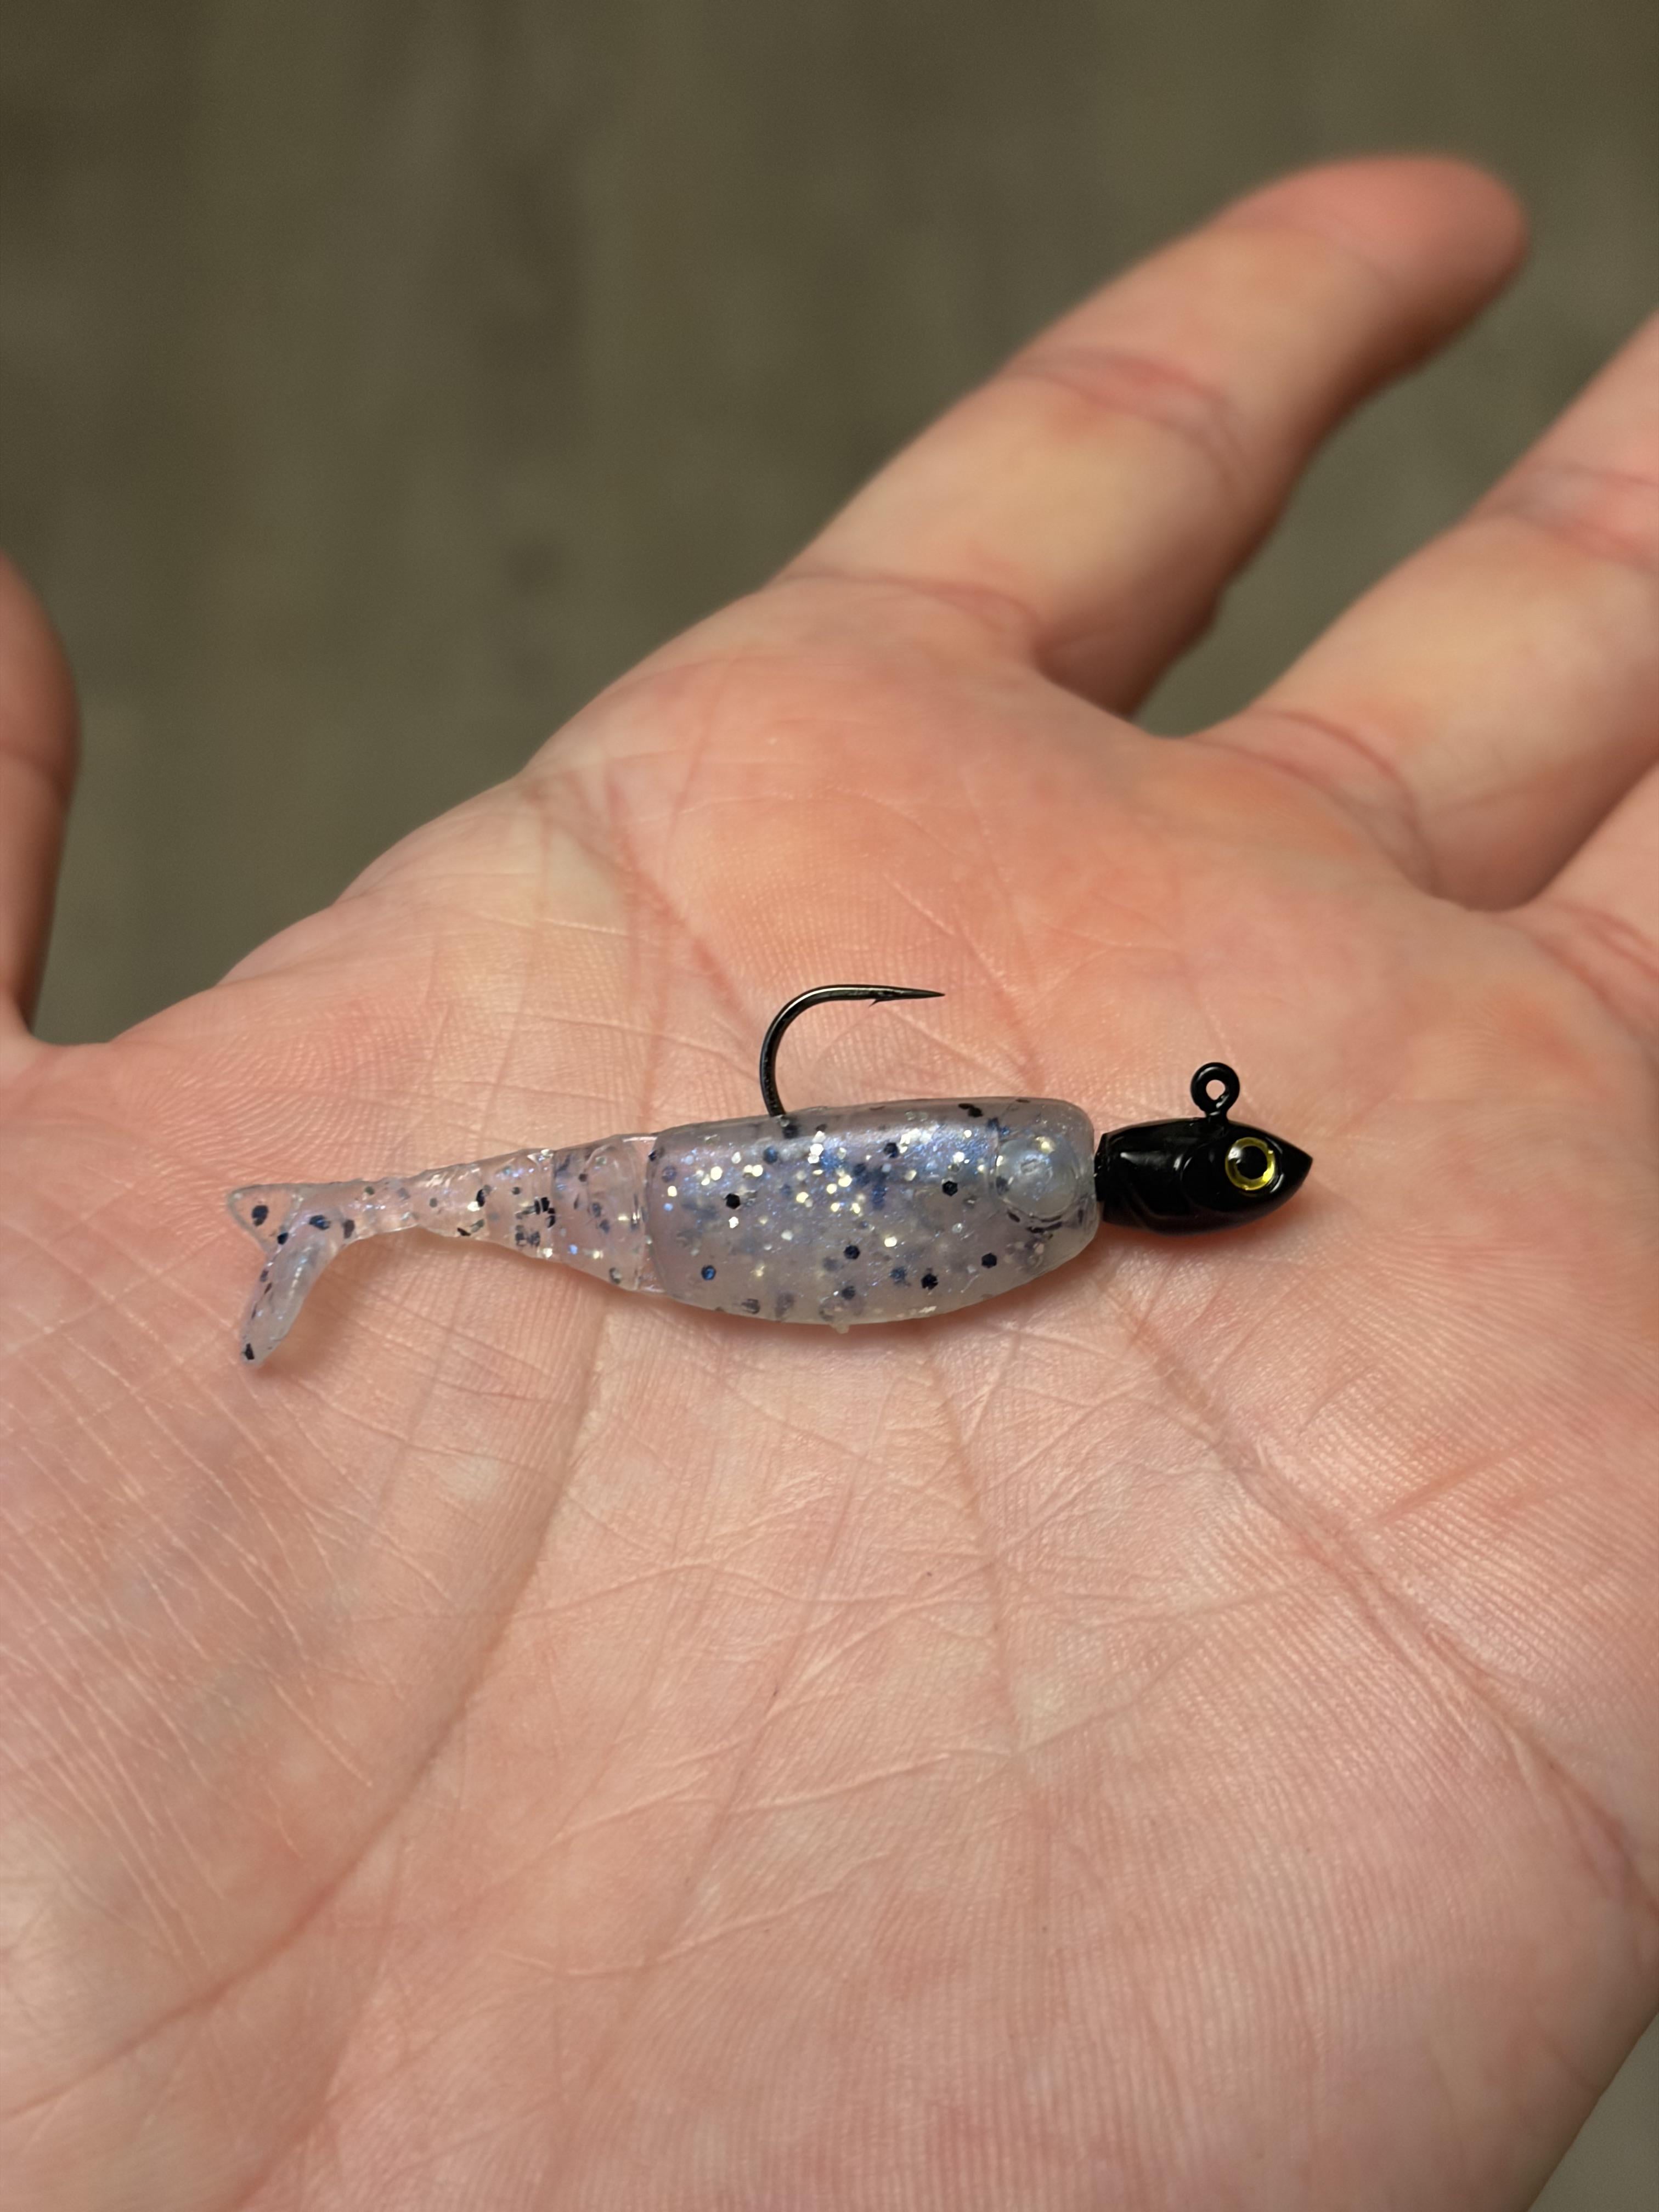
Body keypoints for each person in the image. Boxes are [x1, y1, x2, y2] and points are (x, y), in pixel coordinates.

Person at [1, 156, 1654, 2209]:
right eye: (1233, 1155)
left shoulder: (1043, 1197)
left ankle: (347, 1214)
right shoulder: (1039, 1186)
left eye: (1231, 1167)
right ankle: (337, 1217)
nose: (1235, 1168)